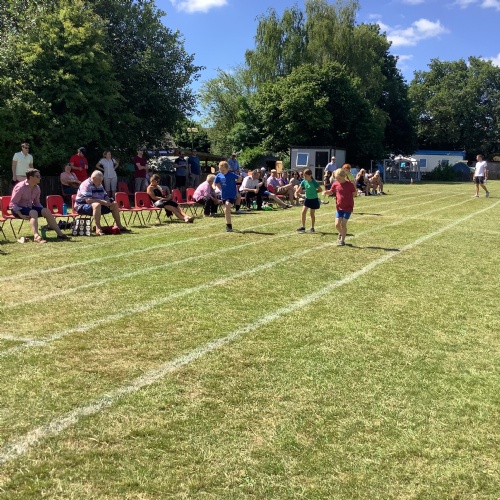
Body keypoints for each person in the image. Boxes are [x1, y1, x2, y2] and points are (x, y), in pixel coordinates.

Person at [9, 168, 71, 243]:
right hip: (17, 209)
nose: (40, 178)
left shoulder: (37, 188)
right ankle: (36, 236)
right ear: (31, 177)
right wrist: (20, 214)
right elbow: (13, 203)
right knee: (33, 212)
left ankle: (60, 234)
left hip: (29, 207)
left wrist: (42, 211)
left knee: (46, 211)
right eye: (37, 176)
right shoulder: (20, 187)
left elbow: (37, 203)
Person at [75, 170, 129, 235]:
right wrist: (103, 202)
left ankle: (119, 226)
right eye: (100, 180)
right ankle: (98, 228)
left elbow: (105, 196)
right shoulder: (86, 185)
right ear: (94, 178)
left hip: (98, 205)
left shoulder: (99, 185)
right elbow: (88, 200)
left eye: (101, 181)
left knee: (114, 204)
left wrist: (108, 201)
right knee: (97, 205)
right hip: (82, 206)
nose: (101, 182)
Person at [325, 168, 356, 246]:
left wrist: (349, 197)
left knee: (343, 224)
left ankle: (342, 240)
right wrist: (326, 192)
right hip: (339, 207)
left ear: (343, 176)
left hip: (348, 207)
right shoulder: (335, 184)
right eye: (336, 178)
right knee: (337, 224)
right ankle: (341, 233)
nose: (337, 180)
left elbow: (354, 193)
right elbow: (331, 191)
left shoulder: (349, 184)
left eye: (339, 178)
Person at [214, 161, 241, 232]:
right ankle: (228, 225)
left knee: (227, 207)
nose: (222, 171)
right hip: (224, 195)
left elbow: (239, 178)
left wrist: (237, 180)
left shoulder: (231, 174)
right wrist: (215, 187)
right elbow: (215, 182)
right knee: (226, 211)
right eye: (220, 170)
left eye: (223, 170)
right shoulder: (219, 175)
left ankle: (229, 226)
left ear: (227, 169)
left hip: (231, 194)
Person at [295, 168, 322, 233]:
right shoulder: (303, 181)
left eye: (306, 176)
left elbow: (320, 190)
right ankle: (303, 227)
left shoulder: (314, 182)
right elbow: (298, 190)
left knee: (312, 214)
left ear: (310, 175)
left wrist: (314, 192)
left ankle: (312, 227)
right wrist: (296, 192)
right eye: (304, 176)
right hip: (307, 199)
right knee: (303, 212)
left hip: (314, 199)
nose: (304, 177)